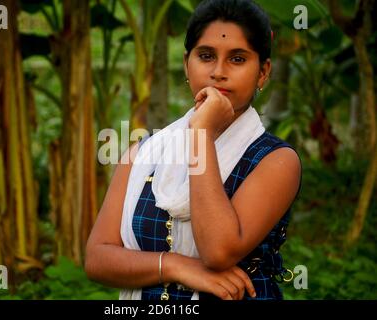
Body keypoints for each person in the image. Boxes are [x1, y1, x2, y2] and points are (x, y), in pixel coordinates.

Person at [85, 0, 301, 300]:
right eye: (206, 56)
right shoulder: (143, 152)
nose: (218, 72)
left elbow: (218, 252)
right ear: (187, 64)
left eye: (237, 59)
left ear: (263, 72)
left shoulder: (276, 160)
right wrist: (173, 265)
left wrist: (201, 133)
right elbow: (97, 259)